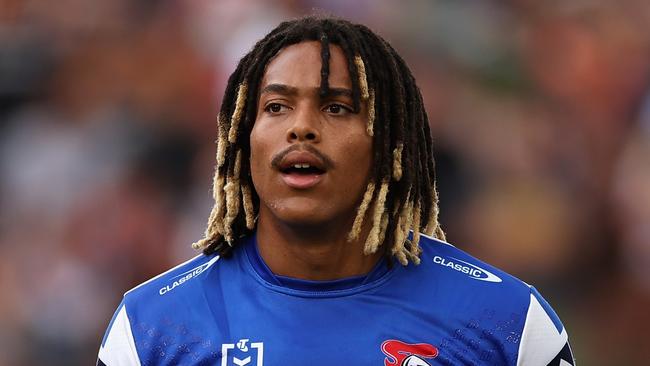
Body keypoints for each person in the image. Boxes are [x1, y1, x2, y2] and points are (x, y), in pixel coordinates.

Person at [97, 16, 575, 366]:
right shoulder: (152, 329)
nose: (301, 128)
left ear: (391, 143)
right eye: (277, 106)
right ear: (242, 138)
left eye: (338, 108)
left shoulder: (507, 323)